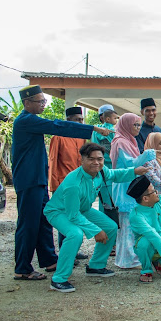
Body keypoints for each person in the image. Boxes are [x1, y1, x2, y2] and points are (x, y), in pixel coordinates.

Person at [12, 85, 109, 281]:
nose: (43, 104)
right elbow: (57, 126)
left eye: (44, 101)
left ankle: (49, 260)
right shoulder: (25, 120)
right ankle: (22, 268)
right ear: (27, 103)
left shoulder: (31, 120)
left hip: (37, 180)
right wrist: (92, 128)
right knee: (28, 224)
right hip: (29, 181)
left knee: (43, 221)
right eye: (40, 101)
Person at [44, 143, 148, 292]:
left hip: (83, 209)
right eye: (91, 159)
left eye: (99, 159)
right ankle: (59, 279)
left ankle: (96, 266)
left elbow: (114, 174)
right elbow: (73, 215)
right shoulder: (73, 184)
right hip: (59, 212)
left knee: (111, 227)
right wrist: (96, 231)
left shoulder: (101, 172)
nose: (96, 162)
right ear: (82, 160)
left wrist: (134, 171)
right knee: (75, 234)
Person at [111, 113, 157, 269]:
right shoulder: (120, 142)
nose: (138, 128)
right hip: (124, 186)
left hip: (130, 184)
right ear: (125, 125)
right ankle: (127, 260)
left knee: (132, 224)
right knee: (127, 225)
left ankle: (130, 257)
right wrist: (145, 156)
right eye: (135, 125)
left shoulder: (129, 140)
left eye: (139, 125)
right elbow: (130, 164)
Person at [48, 106, 88, 259]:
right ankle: (66, 252)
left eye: (82, 120)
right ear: (68, 120)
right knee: (65, 218)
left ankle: (74, 250)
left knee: (76, 215)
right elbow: (53, 161)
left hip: (78, 184)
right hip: (63, 184)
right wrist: (54, 186)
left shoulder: (81, 136)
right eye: (77, 120)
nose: (80, 122)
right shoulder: (58, 136)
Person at [91, 106, 118, 213]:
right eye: (114, 118)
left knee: (105, 198)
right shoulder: (113, 131)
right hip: (110, 167)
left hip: (101, 168)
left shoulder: (95, 131)